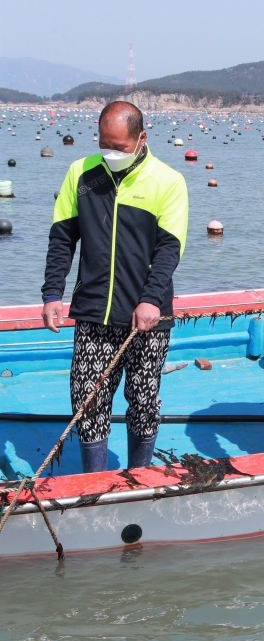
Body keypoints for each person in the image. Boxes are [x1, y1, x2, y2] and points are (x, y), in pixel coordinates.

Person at [41, 101, 189, 472]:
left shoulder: (168, 181)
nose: (110, 153)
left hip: (148, 316)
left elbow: (170, 249)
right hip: (93, 310)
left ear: (142, 138)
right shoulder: (82, 173)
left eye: (119, 147)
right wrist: (52, 293)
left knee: (143, 399)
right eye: (103, 144)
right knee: (87, 399)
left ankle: (139, 474)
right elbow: (62, 237)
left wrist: (151, 300)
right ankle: (94, 479)